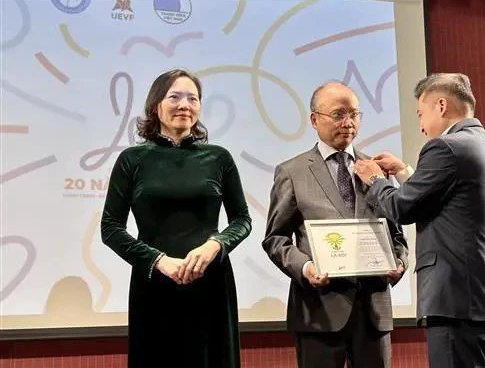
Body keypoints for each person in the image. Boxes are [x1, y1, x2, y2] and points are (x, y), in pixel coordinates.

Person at [354, 73, 485, 368]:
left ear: (441, 105)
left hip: (455, 303)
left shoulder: (446, 147)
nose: (421, 126)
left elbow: (402, 207)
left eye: (420, 113)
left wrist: (375, 179)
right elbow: (449, 200)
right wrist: (403, 171)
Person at [100, 69, 252, 368]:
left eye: (192, 98)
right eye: (175, 97)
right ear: (156, 105)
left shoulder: (219, 157)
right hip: (154, 282)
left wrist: (216, 245)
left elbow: (242, 219)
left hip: (211, 280)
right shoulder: (132, 159)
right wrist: (158, 261)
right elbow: (110, 228)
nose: (185, 105)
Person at [262, 81, 409, 368]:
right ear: (314, 119)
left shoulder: (377, 169)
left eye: (354, 114)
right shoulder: (292, 171)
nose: (349, 123)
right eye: (339, 114)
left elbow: (397, 236)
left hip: (373, 310)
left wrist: (400, 261)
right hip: (318, 310)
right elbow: (276, 239)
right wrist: (306, 268)